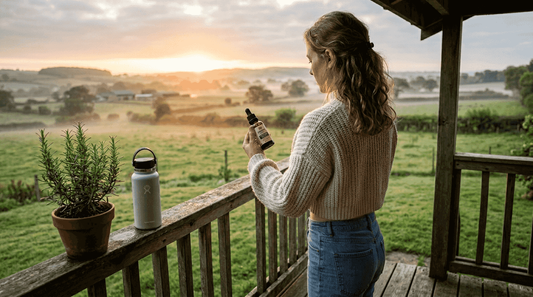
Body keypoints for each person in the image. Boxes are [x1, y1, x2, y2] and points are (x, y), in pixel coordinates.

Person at [242, 11, 397, 297]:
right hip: (370, 240)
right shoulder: (381, 115)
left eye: (310, 59)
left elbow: (288, 200)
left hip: (337, 247)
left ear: (329, 56)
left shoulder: (321, 123)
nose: (310, 70)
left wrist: (257, 159)